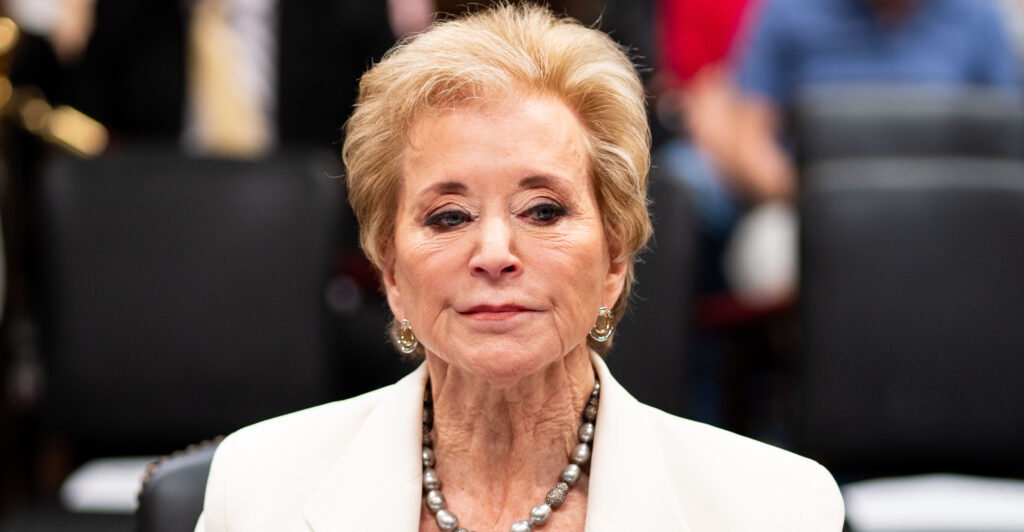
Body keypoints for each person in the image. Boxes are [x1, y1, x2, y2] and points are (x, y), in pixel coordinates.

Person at [194, 5, 844, 531]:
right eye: (449, 216)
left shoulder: (773, 508)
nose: (495, 254)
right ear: (390, 271)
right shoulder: (254, 487)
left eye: (542, 210)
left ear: (615, 258)